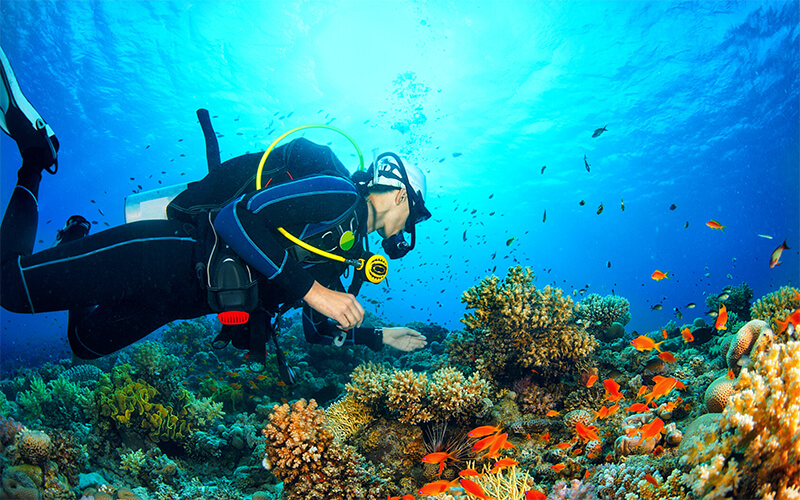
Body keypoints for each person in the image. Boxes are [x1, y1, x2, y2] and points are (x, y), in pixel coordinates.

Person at [0, 48, 429, 372]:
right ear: (399, 196)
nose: (409, 227)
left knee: (83, 343)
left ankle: (74, 237)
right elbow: (236, 217)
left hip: (178, 302)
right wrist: (318, 294)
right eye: (415, 213)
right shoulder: (337, 194)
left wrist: (377, 336)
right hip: (172, 254)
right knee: (9, 287)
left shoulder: (347, 254)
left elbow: (317, 329)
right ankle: (35, 158)